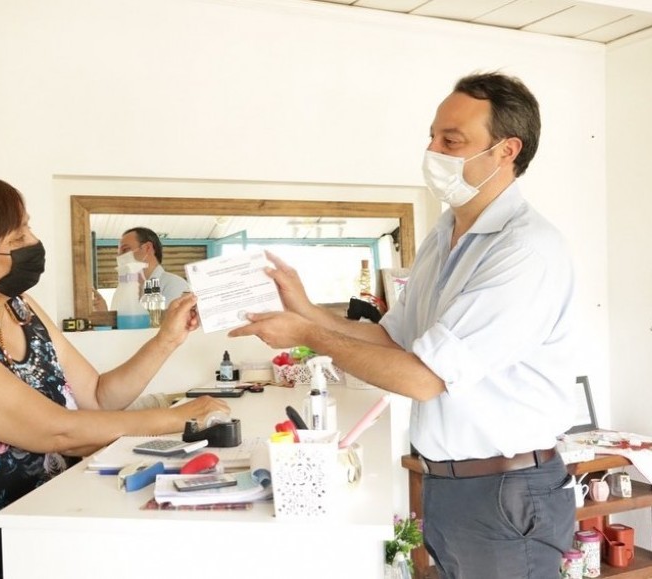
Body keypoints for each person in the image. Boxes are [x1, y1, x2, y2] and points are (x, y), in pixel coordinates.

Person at [230, 72, 577, 578]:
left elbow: (422, 377)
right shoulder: (446, 233)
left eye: (451, 141)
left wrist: (307, 335)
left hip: (508, 490)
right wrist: (305, 308)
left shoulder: (524, 249)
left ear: (507, 150)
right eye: (432, 136)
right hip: (448, 485)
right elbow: (392, 338)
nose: (433, 150)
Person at [0, 171, 229, 578]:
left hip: (40, 536)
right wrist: (178, 417)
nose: (33, 242)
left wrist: (167, 339)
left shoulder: (21, 308)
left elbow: (100, 397)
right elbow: (59, 431)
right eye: (17, 239)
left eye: (27, 226)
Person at [109, 226, 190, 310]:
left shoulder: (174, 284)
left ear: (148, 248)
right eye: (118, 253)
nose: (119, 257)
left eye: (125, 249)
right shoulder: (127, 290)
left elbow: (169, 321)